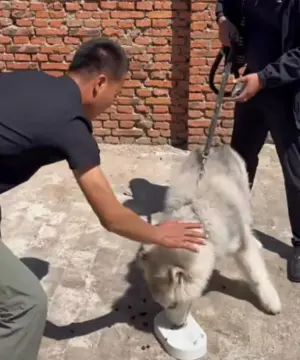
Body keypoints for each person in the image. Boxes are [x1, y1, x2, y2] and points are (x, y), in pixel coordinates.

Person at [0, 37, 207, 360]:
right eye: (117, 91)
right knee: (26, 304)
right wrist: (158, 235)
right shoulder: (70, 127)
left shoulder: (32, 79)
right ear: (100, 83)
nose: (114, 100)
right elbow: (111, 216)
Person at [215, 0, 300, 282]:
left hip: (287, 95)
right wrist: (223, 19)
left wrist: (264, 78)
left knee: (296, 172)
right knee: (240, 159)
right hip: (253, 86)